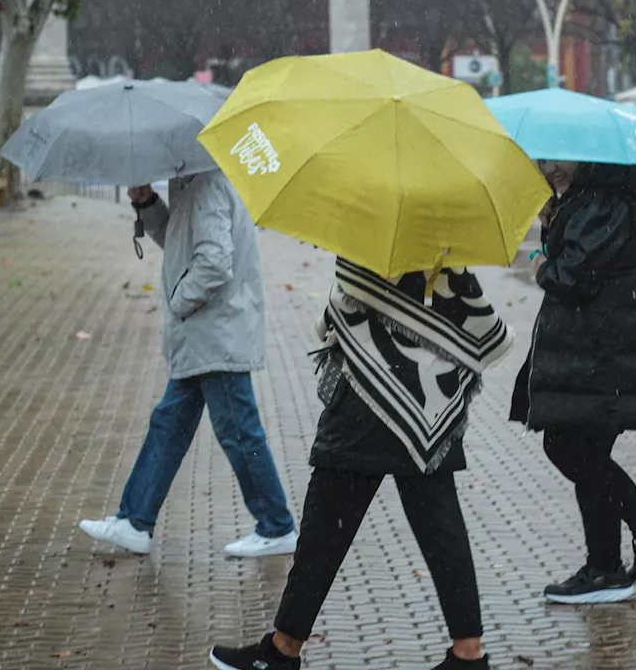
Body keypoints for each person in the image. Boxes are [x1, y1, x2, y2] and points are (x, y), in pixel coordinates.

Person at [209, 258, 513, 670]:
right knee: (441, 530)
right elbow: (478, 325)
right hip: (429, 407)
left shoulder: (376, 233)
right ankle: (468, 654)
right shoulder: (446, 234)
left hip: (362, 409)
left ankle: (282, 651)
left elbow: (343, 310)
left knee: (325, 531)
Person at [77, 171, 297, 558]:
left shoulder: (207, 184)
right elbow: (180, 242)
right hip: (206, 333)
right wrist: (148, 204)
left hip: (215, 332)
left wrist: (179, 301)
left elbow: (214, 261)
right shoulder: (192, 182)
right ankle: (135, 521)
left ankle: (277, 525)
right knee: (170, 425)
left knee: (238, 431)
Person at [512, 160, 636, 605]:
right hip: (596, 352)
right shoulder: (590, 199)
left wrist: (542, 265)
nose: (550, 171)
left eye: (556, 163)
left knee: (568, 447)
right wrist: (554, 220)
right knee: (586, 452)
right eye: (543, 165)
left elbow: (575, 276)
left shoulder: (605, 200)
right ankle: (604, 566)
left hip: (603, 354)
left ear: (583, 158)